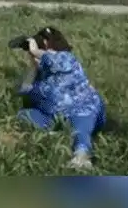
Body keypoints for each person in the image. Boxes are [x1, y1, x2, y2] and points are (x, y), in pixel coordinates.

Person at [15, 27, 107, 170]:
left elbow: (58, 61)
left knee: (80, 128)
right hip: (53, 116)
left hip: (82, 110)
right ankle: (57, 135)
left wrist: (36, 51)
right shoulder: (42, 73)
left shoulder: (67, 59)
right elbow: (24, 89)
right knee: (24, 115)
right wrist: (33, 66)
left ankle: (81, 156)